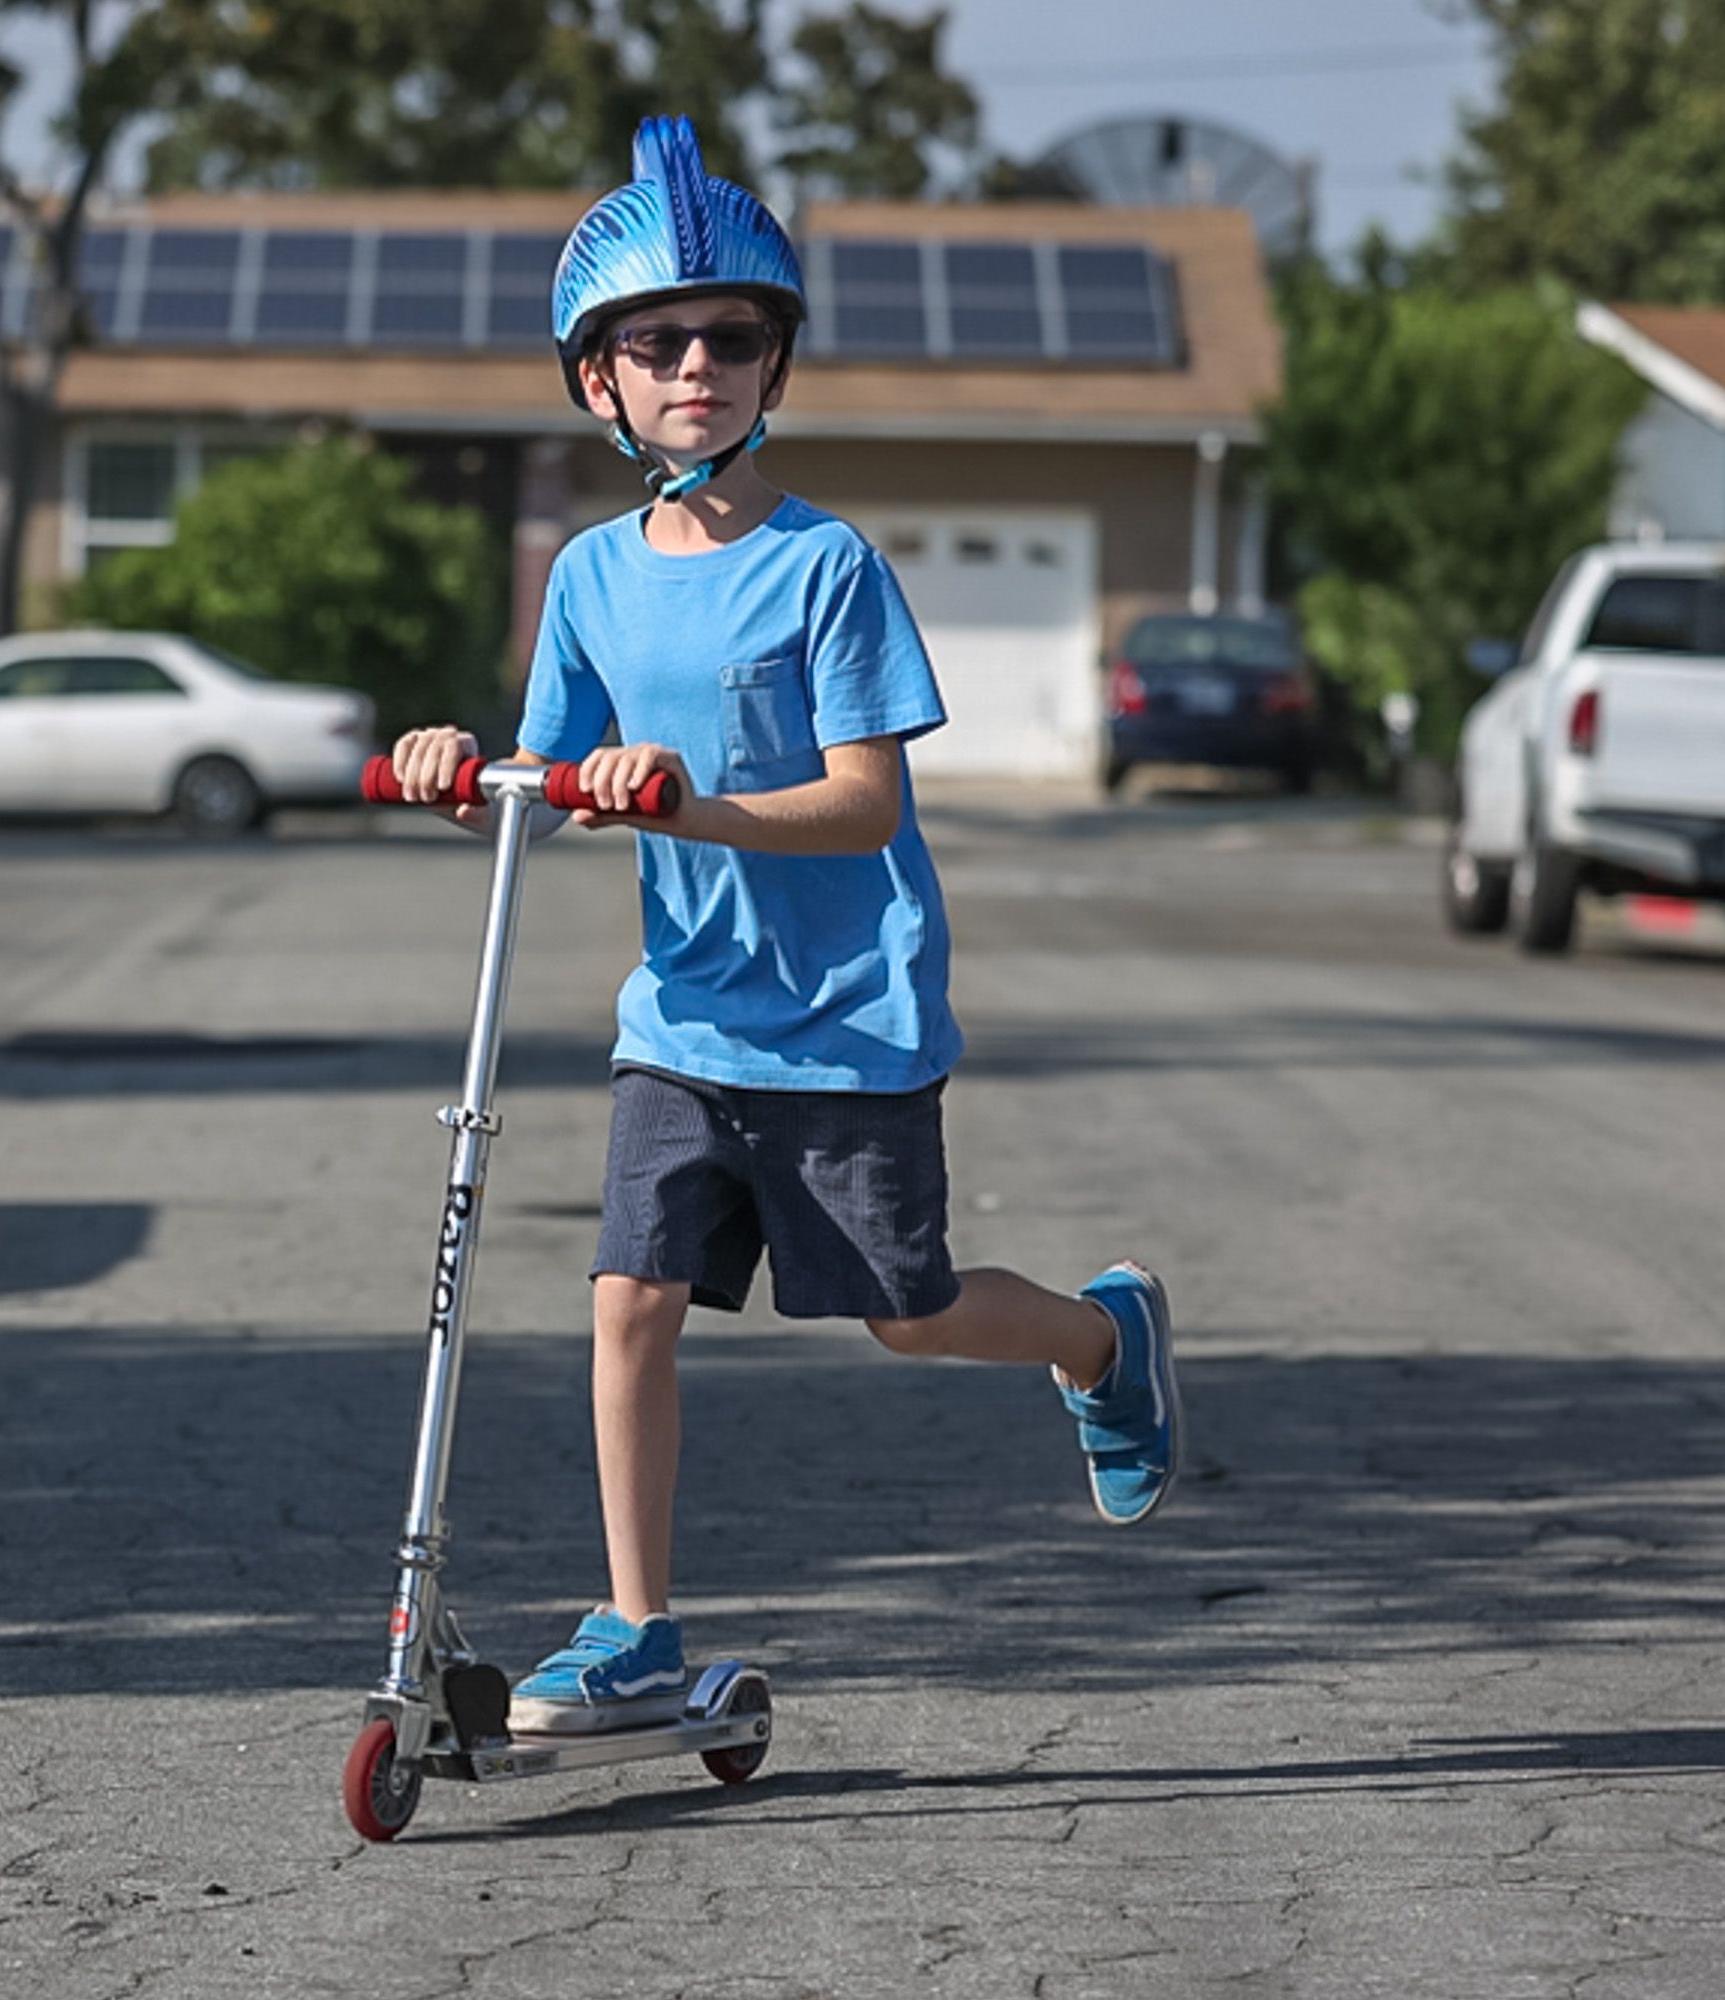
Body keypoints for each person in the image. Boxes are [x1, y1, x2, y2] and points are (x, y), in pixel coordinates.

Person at [390, 115, 1182, 1735]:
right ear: (596, 380)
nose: (698, 364)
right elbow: (548, 776)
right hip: (681, 1012)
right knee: (629, 1300)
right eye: (656, 341)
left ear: (774, 363)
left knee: (906, 1314)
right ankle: (635, 1629)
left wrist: (682, 803)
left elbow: (866, 804)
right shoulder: (594, 580)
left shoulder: (829, 570)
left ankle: (1104, 1343)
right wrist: (459, 771)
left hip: (845, 1014)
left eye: (732, 337)